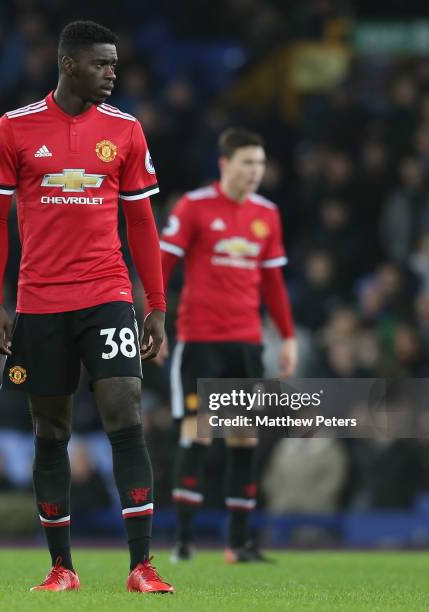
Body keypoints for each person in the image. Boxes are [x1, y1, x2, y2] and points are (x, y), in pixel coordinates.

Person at [0, 20, 173, 594]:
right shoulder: (15, 129)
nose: (113, 72)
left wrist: (155, 303)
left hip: (107, 294)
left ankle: (141, 566)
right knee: (51, 430)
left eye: (115, 63)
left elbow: (141, 221)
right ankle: (61, 567)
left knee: (126, 413)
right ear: (69, 65)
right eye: (102, 63)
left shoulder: (127, 131)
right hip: (39, 301)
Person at [159, 128, 298, 562]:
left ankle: (238, 544)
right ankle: (183, 542)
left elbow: (273, 282)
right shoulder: (194, 206)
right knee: (197, 432)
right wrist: (153, 319)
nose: (256, 171)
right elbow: (163, 264)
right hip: (200, 339)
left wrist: (288, 336)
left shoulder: (267, 214)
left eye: (260, 163)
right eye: (247, 162)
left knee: (243, 436)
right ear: (225, 164)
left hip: (246, 343)